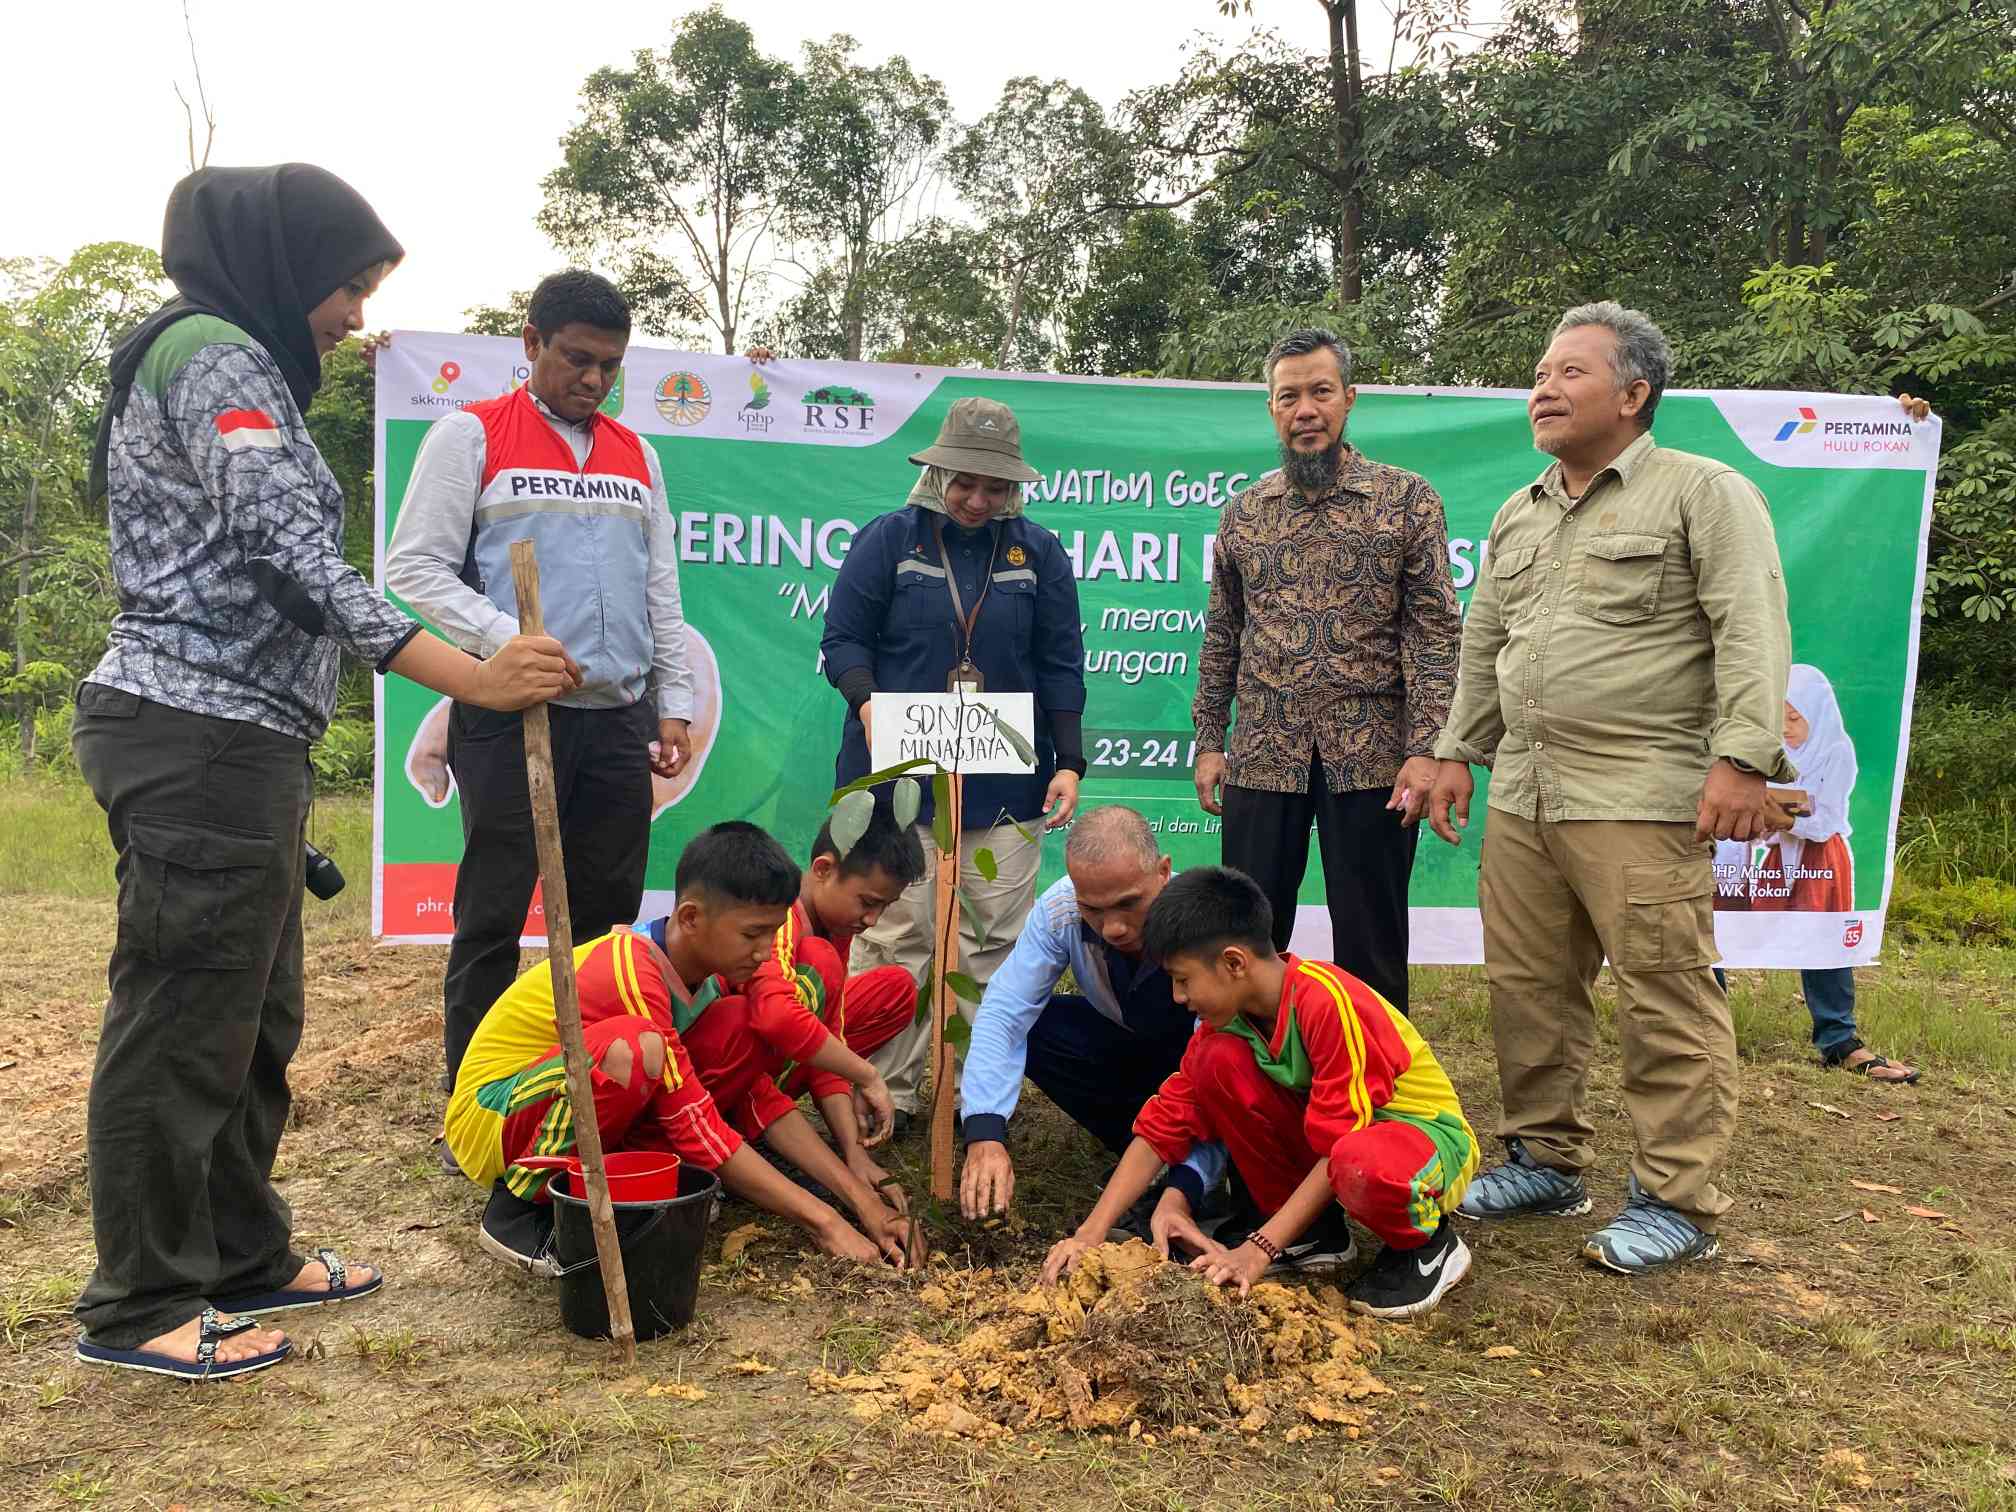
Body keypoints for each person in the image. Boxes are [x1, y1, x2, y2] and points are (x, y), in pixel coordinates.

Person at [72, 164, 577, 1380]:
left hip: (244, 740)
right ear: (282, 268)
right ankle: (139, 1303)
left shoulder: (237, 362)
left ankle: (241, 1249)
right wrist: (472, 675)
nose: (355, 319)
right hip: (195, 729)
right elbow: (287, 553)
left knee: (253, 1017)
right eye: (346, 289)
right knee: (186, 1016)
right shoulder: (213, 352)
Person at [1426, 299, 1794, 1274]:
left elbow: (1750, 627)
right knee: (1528, 987)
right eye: (1541, 373)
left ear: (1634, 395)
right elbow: (1485, 640)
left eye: (1570, 373)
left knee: (1664, 994)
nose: (1544, 388)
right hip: (1527, 791)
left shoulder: (1702, 492)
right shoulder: (1521, 510)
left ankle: (1678, 1199)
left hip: (1641, 789)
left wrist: (1743, 756)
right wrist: (1459, 748)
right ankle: (1544, 1156)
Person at [385, 270, 696, 1099]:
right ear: (530, 345)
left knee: (606, 916)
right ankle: (475, 1099)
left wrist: (673, 704)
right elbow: (410, 566)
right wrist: (510, 642)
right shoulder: (472, 435)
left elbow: (658, 587)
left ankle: (589, 1088)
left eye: (610, 366)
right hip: (512, 712)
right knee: (492, 913)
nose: (593, 380)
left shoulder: (639, 455)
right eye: (576, 359)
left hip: (619, 720)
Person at [448, 823, 909, 1272]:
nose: (766, 951)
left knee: (738, 1025)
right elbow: (693, 1117)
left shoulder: (712, 977)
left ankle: (645, 1179)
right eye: (752, 934)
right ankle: (522, 1206)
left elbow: (759, 1098)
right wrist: (825, 1222)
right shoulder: (631, 970)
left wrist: (859, 1198)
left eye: (772, 933)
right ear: (690, 918)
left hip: (558, 1103)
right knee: (632, 1048)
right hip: (493, 1118)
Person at [1041, 868, 1479, 1320]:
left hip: (1424, 1140)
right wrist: (1091, 1233)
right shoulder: (1226, 1024)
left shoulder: (1327, 1002)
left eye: (1183, 979)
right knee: (1217, 1063)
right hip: (1346, 1146)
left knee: (1357, 1161)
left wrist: (1258, 1249)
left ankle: (1427, 1244)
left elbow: (1338, 1146)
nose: (1176, 996)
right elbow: (1163, 1126)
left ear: (1234, 963)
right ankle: (1319, 1236)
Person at [820, 398, 1087, 1129]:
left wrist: (1070, 761)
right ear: (937, 472)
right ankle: (886, 1095)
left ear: (1014, 488)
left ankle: (977, 1103)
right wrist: (867, 703)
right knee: (893, 936)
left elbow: (1062, 662)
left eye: (994, 487)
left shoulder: (1038, 555)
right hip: (891, 783)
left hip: (1005, 786)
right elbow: (841, 640)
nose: (977, 499)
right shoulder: (888, 541)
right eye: (964, 481)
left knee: (989, 945)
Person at [1192, 329, 1462, 1015]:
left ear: (1348, 398)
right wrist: (1209, 740)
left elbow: (1434, 634)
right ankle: (1247, 1088)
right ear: (1272, 409)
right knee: (1243, 941)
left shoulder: (1407, 501)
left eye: (1319, 392)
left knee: (1372, 945)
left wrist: (1427, 751)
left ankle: (1377, 1096)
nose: (1305, 409)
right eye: (1289, 397)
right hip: (1261, 754)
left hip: (1374, 762)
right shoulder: (1245, 513)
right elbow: (1222, 631)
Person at [958, 806, 1226, 1228]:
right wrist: (985, 1131)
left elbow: (1221, 1075)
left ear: (1163, 871)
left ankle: (1192, 1172)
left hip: (1199, 1063)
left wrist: (1189, 1184)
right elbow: (1004, 1013)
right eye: (1093, 910)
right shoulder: (1061, 908)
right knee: (1040, 1023)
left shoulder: (1205, 927)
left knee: (1220, 1060)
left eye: (1128, 904)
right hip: (1136, 1048)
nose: (1113, 927)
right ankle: (1138, 1152)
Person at [666, 816, 927, 1237]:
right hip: (706, 1070)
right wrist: (866, 1073)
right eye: (867, 902)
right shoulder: (779, 924)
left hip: (740, 1061)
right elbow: (776, 1019)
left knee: (892, 988)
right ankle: (733, 1135)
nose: (874, 921)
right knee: (777, 1004)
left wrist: (852, 1154)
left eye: (885, 907)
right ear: (822, 870)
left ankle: (762, 1132)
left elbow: (826, 1037)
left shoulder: (833, 930)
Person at [1715, 664, 1919, 1082]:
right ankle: (1708, 1036)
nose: (1786, 726)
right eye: (1779, 716)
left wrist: (1780, 816)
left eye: (1795, 716)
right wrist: (1764, 822)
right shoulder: (1758, 748)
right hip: (1771, 858)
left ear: (1816, 711)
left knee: (1822, 936)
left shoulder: (1834, 749)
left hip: (1818, 858)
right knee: (1718, 924)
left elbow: (1828, 819)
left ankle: (1839, 1039)